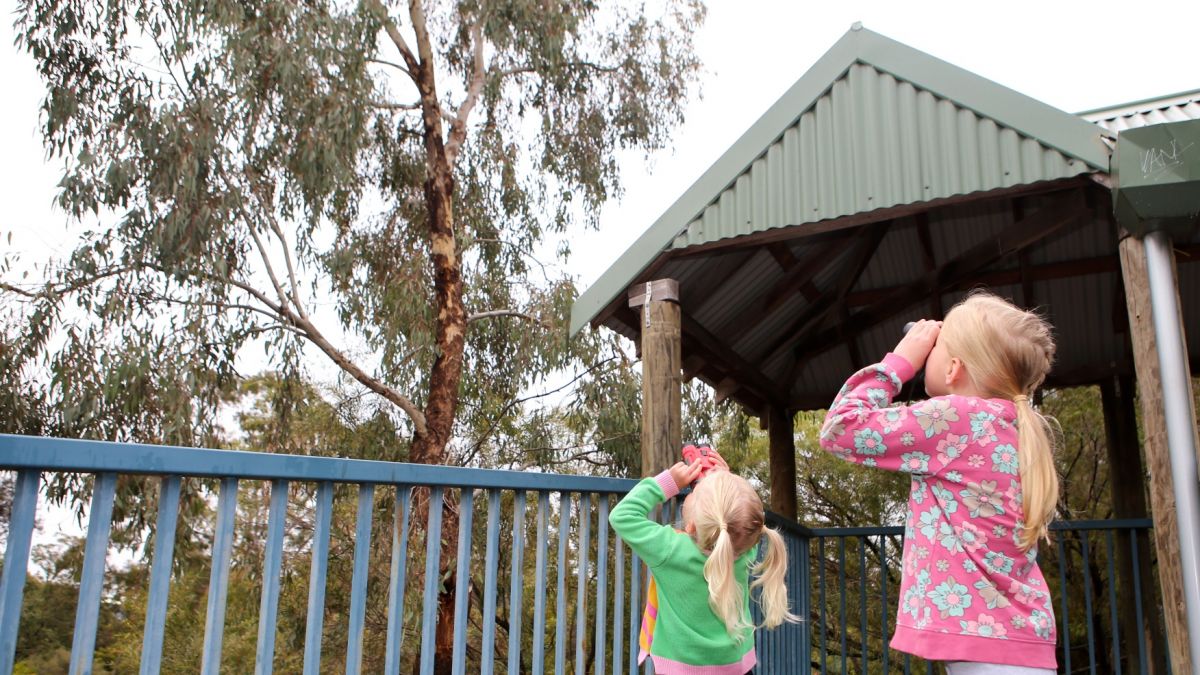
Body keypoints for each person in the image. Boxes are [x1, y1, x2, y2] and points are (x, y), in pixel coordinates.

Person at [818, 291, 1060, 674]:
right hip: (1013, 642)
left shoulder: (957, 418)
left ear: (953, 369)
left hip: (988, 650)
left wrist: (899, 362)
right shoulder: (1010, 424)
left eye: (935, 346)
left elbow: (840, 430)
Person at [609, 449, 797, 674]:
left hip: (680, 667)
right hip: (736, 664)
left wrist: (669, 482)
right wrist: (726, 484)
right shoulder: (744, 548)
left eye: (693, 494)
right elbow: (742, 521)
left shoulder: (670, 550)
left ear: (691, 526)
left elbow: (622, 516)